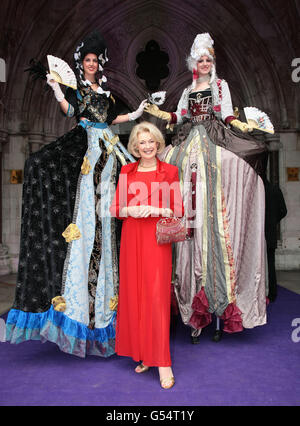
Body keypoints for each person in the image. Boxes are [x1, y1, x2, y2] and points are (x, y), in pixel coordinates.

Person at [6, 31, 147, 358]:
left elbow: (114, 119)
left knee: (126, 198)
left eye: (96, 61)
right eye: (88, 60)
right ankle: (81, 304)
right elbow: (70, 111)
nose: (92, 64)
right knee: (42, 166)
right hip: (87, 149)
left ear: (100, 64)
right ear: (80, 64)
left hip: (110, 148)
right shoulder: (79, 89)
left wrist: (138, 112)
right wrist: (57, 89)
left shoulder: (107, 92)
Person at [145, 33, 269, 343]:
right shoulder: (188, 90)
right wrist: (162, 115)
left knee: (246, 158)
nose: (205, 63)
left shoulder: (220, 86)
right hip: (190, 139)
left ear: (211, 63)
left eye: (208, 59)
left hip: (214, 138)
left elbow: (227, 115)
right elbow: (180, 116)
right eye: (200, 59)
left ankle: (223, 208)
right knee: (165, 165)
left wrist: (244, 126)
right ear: (193, 63)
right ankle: (192, 308)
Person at [110, 122, 184, 389]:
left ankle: (163, 360)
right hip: (131, 238)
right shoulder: (127, 171)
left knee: (155, 297)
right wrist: (131, 210)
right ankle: (144, 354)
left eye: (151, 140)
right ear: (135, 146)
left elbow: (178, 208)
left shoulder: (170, 171)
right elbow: (115, 207)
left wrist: (154, 208)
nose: (148, 145)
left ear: (158, 143)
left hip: (156, 241)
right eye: (142, 142)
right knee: (135, 296)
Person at [264, 179, 287, 302]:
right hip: (270, 233)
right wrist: (273, 221)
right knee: (270, 263)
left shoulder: (256, 190)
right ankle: (272, 293)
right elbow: (283, 210)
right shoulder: (274, 189)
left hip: (257, 234)